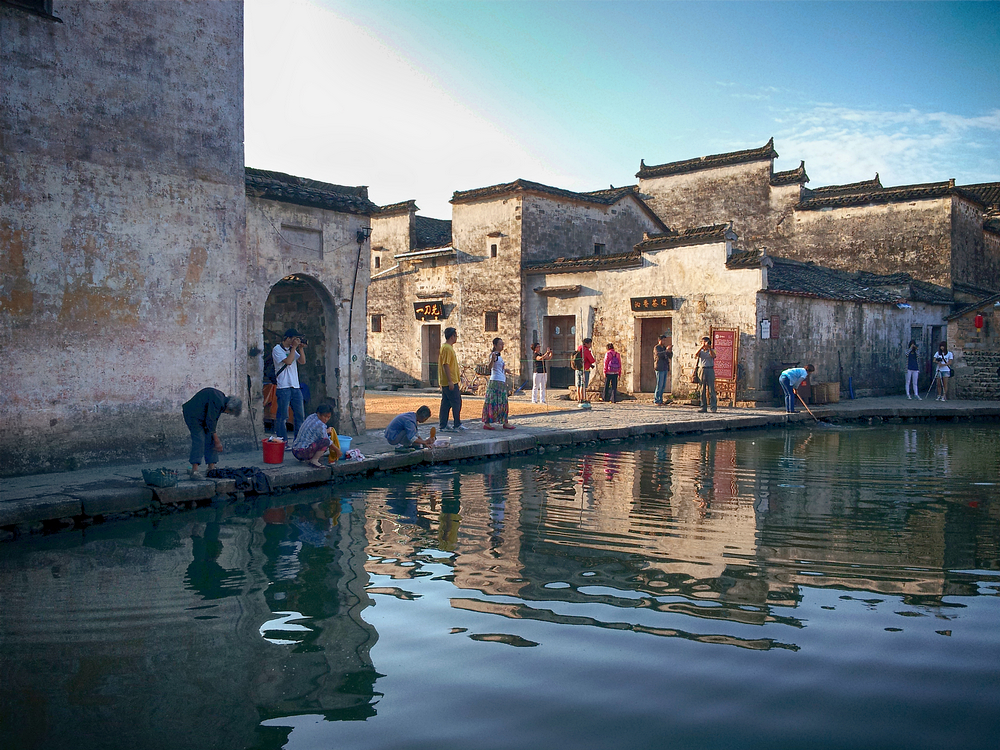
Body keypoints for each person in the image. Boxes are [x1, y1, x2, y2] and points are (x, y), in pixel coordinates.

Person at [182, 388, 242, 477]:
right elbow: (211, 421)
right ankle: (194, 470)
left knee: (210, 438)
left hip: (202, 416)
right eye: (229, 412)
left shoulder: (221, 400)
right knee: (199, 439)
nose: (227, 413)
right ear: (230, 408)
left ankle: (211, 467)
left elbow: (211, 423)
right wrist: (217, 440)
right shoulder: (218, 401)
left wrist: (214, 437)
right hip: (192, 415)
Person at [272, 328, 306, 448]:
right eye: (293, 339)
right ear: (287, 338)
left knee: (299, 415)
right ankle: (283, 442)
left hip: (295, 386)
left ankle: (298, 441)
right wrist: (294, 348)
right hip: (283, 386)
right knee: (283, 416)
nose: (295, 341)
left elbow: (302, 361)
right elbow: (288, 361)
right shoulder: (277, 349)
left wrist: (300, 348)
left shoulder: (292, 349)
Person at [482, 337, 516, 430]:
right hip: (495, 381)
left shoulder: (499, 356)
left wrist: (505, 370)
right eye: (500, 344)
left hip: (501, 380)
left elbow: (498, 368)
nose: (502, 346)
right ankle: (488, 422)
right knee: (492, 401)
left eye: (502, 344)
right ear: (495, 345)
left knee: (503, 401)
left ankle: (505, 421)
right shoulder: (493, 355)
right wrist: (492, 359)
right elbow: (490, 367)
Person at [438, 327, 467, 432]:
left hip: (452, 380)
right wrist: (450, 381)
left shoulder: (448, 348)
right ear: (452, 336)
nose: (456, 338)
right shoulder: (446, 348)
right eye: (455, 336)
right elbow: (446, 364)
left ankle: (443, 425)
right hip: (449, 381)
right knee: (456, 402)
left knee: (446, 403)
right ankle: (457, 424)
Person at [291, 404, 335, 468]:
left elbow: (317, 431)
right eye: (325, 416)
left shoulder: (312, 416)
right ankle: (314, 460)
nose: (326, 419)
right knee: (325, 442)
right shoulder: (320, 425)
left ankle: (311, 457)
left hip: (295, 450)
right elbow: (327, 441)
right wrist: (337, 451)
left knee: (321, 439)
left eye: (328, 417)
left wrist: (327, 430)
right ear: (319, 414)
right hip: (302, 452)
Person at [694, 336, 717, 413]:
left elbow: (713, 356)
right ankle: (703, 406)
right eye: (704, 342)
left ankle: (713, 407)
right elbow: (696, 354)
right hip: (702, 369)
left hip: (710, 369)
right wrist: (701, 346)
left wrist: (709, 348)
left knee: (711, 389)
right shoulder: (700, 351)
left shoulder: (712, 350)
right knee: (702, 389)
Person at [575, 337, 596, 405]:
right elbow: (592, 360)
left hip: (578, 368)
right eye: (590, 344)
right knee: (583, 385)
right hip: (584, 369)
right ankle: (583, 398)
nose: (590, 345)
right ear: (586, 344)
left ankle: (578, 398)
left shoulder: (579, 348)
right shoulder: (585, 350)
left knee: (578, 384)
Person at [653, 334, 672, 405]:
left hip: (665, 367)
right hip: (659, 367)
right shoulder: (656, 347)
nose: (664, 341)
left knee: (663, 385)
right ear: (659, 340)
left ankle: (660, 400)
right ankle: (656, 400)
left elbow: (669, 356)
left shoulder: (664, 348)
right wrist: (666, 350)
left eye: (665, 340)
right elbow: (658, 355)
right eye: (663, 340)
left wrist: (669, 351)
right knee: (659, 384)